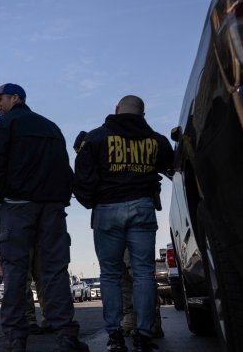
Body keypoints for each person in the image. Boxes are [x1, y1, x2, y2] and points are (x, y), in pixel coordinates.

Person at [0, 83, 89, 352]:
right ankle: (66, 334)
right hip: (51, 208)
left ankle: (16, 337)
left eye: (0, 100)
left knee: (16, 271)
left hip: (17, 207)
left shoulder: (4, 126)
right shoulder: (50, 127)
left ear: (15, 98)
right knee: (54, 270)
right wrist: (61, 199)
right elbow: (63, 167)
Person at [74, 95, 172, 352]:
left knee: (110, 275)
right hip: (142, 207)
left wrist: (90, 200)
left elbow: (82, 177)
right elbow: (171, 165)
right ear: (142, 115)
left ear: (117, 110)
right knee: (143, 274)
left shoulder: (96, 138)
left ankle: (115, 336)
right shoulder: (156, 140)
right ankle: (144, 334)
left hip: (107, 209)